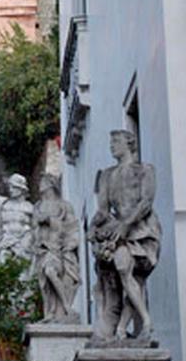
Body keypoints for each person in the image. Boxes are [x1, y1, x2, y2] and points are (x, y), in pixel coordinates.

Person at [88, 130, 161, 340]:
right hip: (118, 230)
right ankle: (128, 326)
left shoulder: (144, 170)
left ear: (129, 144)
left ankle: (138, 322)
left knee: (129, 273)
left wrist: (126, 225)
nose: (112, 146)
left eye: (116, 142)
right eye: (111, 142)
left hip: (143, 230)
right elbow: (102, 210)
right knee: (123, 270)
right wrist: (93, 228)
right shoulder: (107, 175)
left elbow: (146, 202)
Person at [33, 174, 80, 323]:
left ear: (50, 184)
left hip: (57, 248)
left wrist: (49, 220)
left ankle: (66, 306)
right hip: (42, 249)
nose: (40, 184)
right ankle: (50, 313)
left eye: (43, 181)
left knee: (50, 272)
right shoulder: (38, 206)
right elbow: (34, 227)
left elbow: (71, 226)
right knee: (44, 284)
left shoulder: (63, 206)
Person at [0, 174, 34, 264]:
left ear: (21, 189)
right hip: (7, 240)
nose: (10, 190)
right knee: (3, 258)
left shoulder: (30, 207)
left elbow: (35, 227)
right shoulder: (4, 204)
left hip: (24, 242)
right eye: (10, 187)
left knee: (23, 267)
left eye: (13, 187)